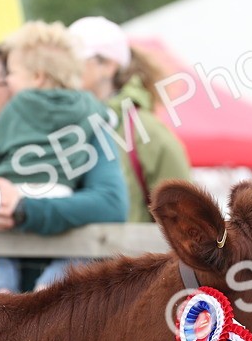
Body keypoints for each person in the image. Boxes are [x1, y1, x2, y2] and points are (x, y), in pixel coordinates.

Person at [0, 34, 129, 293]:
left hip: (68, 312)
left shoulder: (88, 130)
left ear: (31, 82)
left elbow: (111, 203)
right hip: (19, 317)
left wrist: (22, 210)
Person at [69, 16, 192, 222]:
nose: (66, 69)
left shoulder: (148, 131)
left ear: (108, 65)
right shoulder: (65, 127)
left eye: (76, 60)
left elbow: (185, 223)